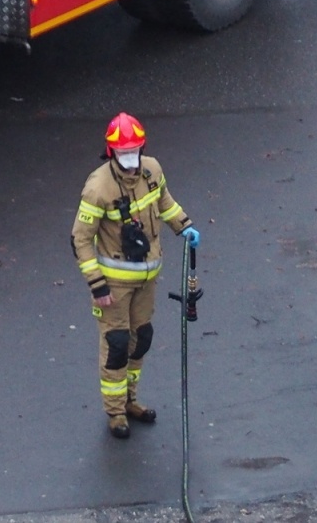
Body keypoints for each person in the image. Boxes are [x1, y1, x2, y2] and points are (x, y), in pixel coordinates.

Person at [71, 112, 200, 439]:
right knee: (116, 344)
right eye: (123, 152)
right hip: (113, 285)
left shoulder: (151, 170)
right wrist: (98, 285)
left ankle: (131, 400)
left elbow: (165, 203)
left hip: (146, 278)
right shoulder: (98, 188)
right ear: (111, 151)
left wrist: (184, 226)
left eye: (134, 150)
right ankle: (115, 412)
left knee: (140, 339)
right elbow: (81, 240)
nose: (130, 157)